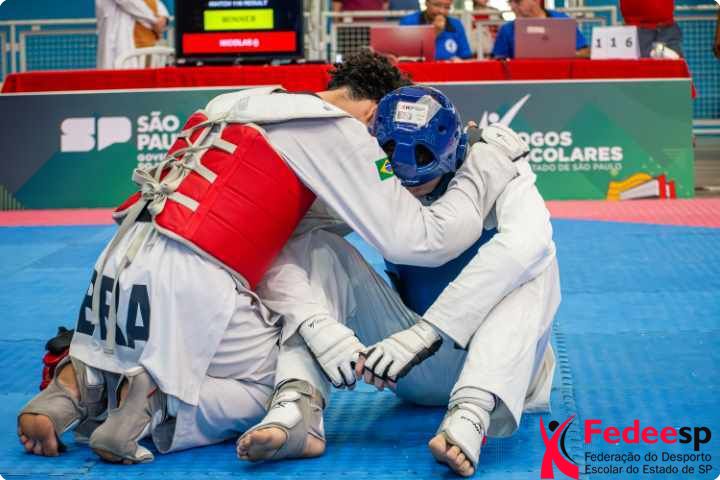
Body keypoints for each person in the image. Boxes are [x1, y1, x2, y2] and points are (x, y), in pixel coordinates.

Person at [16, 53, 521, 463]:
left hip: (113, 275)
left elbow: (304, 220)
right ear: (374, 114)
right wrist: (486, 164)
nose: (386, 152)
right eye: (384, 139)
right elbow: (421, 242)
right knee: (279, 374)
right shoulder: (338, 131)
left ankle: (80, 381)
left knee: (297, 267)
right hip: (191, 274)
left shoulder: (240, 102)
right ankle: (162, 407)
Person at [237, 85, 560, 477]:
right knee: (313, 245)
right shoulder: (378, 176)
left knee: (536, 259)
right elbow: (282, 240)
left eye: (423, 165)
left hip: (503, 372)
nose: (410, 183)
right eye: (396, 167)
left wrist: (426, 332)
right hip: (410, 367)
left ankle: (471, 413)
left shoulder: (498, 163)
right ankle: (297, 402)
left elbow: (527, 245)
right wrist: (316, 325)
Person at [491, 0, 589, 59]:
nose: (512, 7)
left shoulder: (563, 20)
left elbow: (585, 51)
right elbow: (498, 59)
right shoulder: (507, 30)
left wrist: (568, 54)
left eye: (518, 1)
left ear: (536, 0)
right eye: (510, 2)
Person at [96, 0, 169, 69]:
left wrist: (163, 17)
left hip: (148, 42)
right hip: (125, 44)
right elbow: (128, 2)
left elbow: (156, 4)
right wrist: (155, 21)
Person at [399, 0, 473, 61]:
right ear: (426, 3)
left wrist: (460, 62)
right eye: (437, 5)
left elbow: (467, 58)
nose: (441, 11)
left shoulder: (456, 25)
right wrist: (434, 32)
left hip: (449, 72)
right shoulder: (409, 22)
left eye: (447, 7)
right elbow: (403, 57)